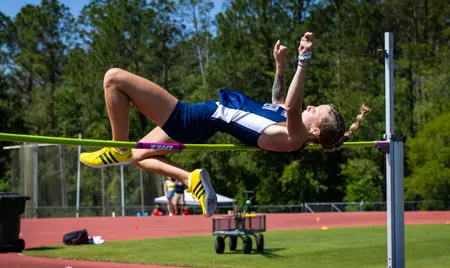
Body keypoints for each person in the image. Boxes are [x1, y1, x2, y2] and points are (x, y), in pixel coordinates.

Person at [79, 32, 370, 218]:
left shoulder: (294, 136)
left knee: (114, 78)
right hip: (203, 119)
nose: (310, 106)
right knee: (139, 155)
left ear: (315, 130)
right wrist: (280, 67)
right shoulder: (285, 121)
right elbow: (280, 101)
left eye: (315, 111)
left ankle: (116, 148)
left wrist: (303, 60)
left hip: (196, 118)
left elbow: (293, 105)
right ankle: (190, 179)